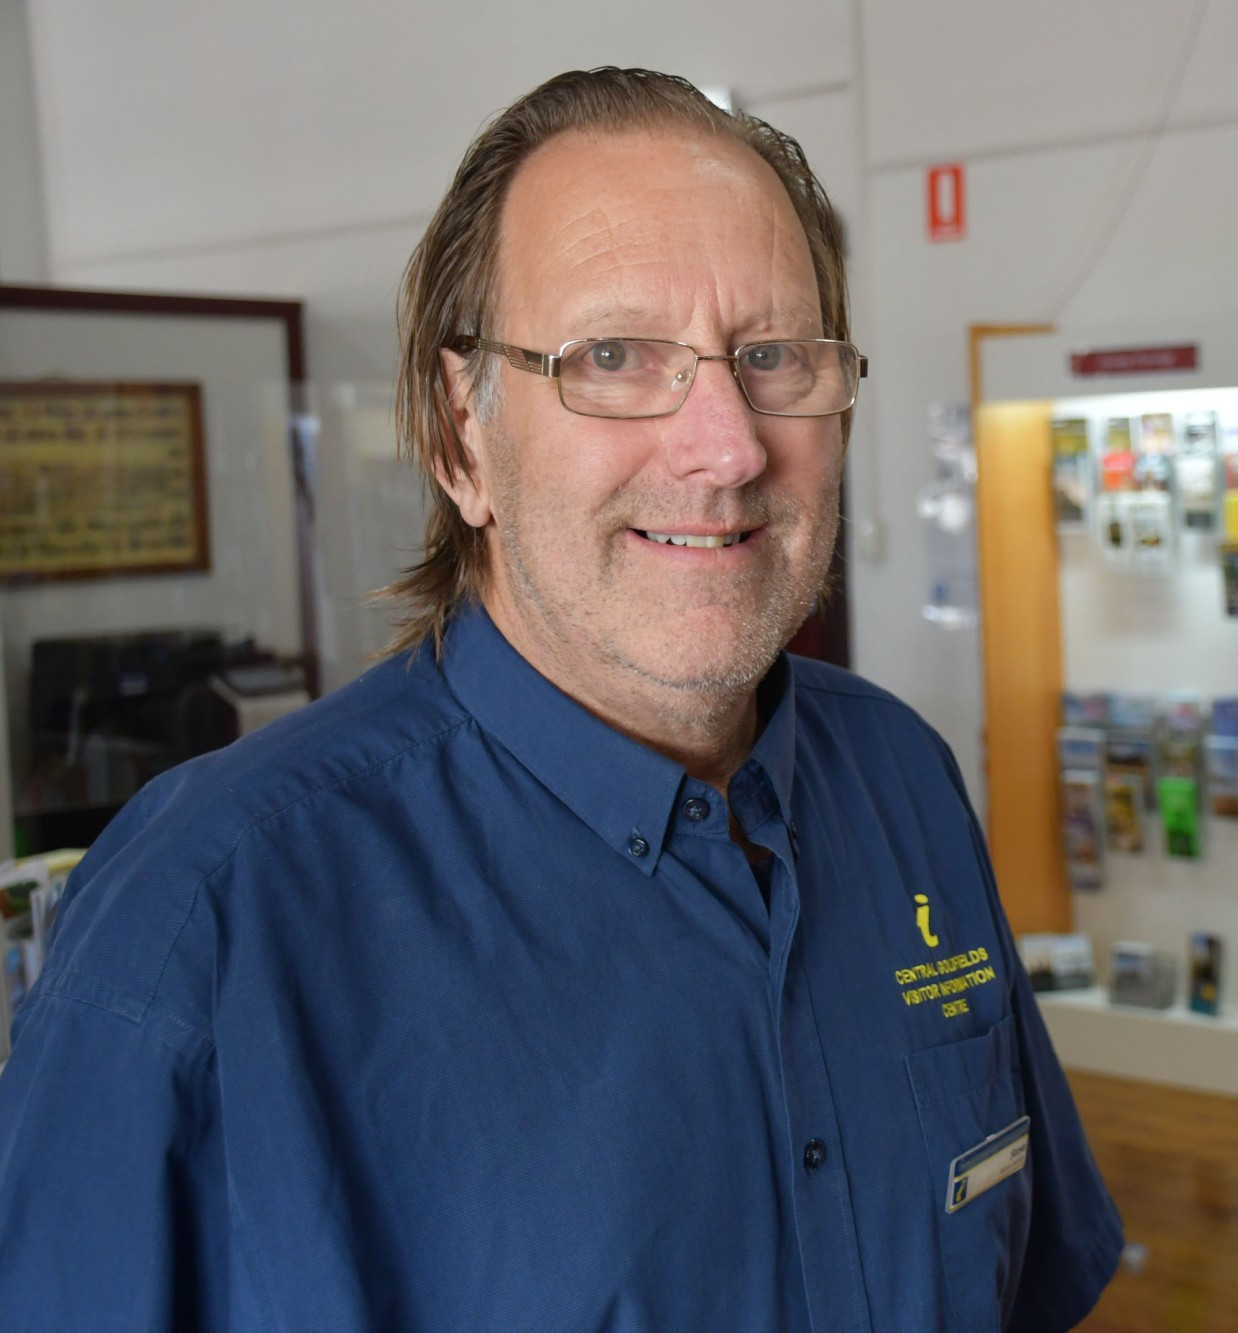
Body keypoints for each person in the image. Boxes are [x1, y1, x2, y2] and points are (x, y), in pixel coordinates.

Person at [0, 68, 1123, 1331]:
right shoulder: (206, 920)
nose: (729, 445)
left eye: (772, 356)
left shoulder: (900, 776)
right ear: (457, 436)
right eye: (613, 356)